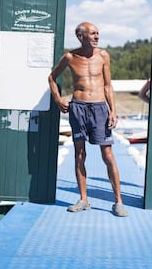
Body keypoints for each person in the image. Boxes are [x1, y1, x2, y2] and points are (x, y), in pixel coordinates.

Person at [48, 22, 127, 217]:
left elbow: (108, 85)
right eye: (92, 33)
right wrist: (58, 99)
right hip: (78, 108)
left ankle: (118, 202)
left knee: (108, 155)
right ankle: (83, 200)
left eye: (98, 33)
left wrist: (113, 110)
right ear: (80, 36)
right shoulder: (69, 57)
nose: (96, 36)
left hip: (100, 108)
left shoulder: (103, 56)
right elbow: (51, 78)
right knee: (80, 154)